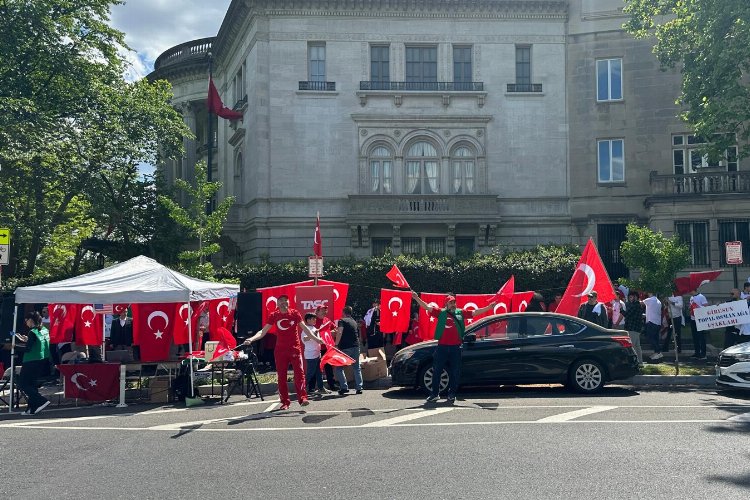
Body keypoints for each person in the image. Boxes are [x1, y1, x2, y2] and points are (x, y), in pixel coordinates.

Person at [412, 291, 495, 404]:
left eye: (454, 302)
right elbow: (426, 306)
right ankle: (435, 394)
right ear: (446, 304)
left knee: (455, 372)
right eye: (451, 302)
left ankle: (452, 394)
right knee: (437, 371)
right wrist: (416, 298)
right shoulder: (440, 313)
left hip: (455, 347)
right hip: (442, 347)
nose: (453, 304)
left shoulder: (460, 312)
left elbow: (475, 312)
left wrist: (488, 307)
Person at [243, 294, 308, 410]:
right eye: (281, 301)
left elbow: (305, 328)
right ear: (277, 304)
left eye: (285, 300)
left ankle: (302, 398)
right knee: (281, 377)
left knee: (299, 374)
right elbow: (263, 332)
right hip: (280, 351)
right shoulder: (274, 315)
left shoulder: (295, 314)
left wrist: (316, 338)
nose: (283, 302)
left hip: (295, 349)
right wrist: (251, 339)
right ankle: (285, 402)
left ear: (289, 302)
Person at [16, 311, 51, 415]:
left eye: (26, 321)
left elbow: (28, 349)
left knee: (23, 384)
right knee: (31, 384)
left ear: (30, 320)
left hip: (31, 360)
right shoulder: (44, 329)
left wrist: (14, 346)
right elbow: (37, 343)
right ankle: (32, 408)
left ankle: (41, 400)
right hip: (42, 359)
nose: (26, 323)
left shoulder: (32, 332)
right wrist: (27, 340)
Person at [334, 306, 363, 395]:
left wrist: (336, 344)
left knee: (339, 368)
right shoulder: (354, 321)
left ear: (343, 312)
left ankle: (344, 387)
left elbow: (340, 332)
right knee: (356, 367)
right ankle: (359, 388)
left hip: (345, 347)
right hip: (356, 346)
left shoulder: (341, 321)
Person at [298, 313, 328, 397]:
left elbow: (318, 339)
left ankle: (321, 388)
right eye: (313, 319)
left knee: (319, 372)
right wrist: (313, 336)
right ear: (308, 320)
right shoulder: (305, 329)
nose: (315, 320)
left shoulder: (314, 328)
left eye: (315, 318)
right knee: (310, 373)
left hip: (317, 353)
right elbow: (304, 339)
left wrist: (322, 339)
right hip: (310, 355)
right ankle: (301, 389)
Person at [314, 305, 338, 392]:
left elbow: (335, 329)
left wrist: (333, 332)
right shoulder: (314, 320)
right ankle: (314, 386)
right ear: (317, 311)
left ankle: (332, 384)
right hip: (317, 348)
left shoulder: (327, 320)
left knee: (328, 367)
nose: (324, 311)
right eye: (322, 310)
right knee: (317, 367)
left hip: (327, 347)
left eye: (325, 310)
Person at [623, 291, 644, 365]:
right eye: (630, 296)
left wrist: (621, 310)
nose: (631, 298)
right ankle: (640, 362)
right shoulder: (637, 305)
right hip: (636, 328)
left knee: (632, 347)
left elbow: (627, 314)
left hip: (633, 328)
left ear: (636, 297)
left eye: (632, 296)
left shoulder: (635, 305)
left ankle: (635, 363)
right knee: (637, 346)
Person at [688, 288, 709, 359]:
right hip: (693, 318)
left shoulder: (701, 297)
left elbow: (706, 307)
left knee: (701, 337)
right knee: (695, 337)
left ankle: (703, 354)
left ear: (693, 290)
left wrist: (697, 306)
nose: (688, 291)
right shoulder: (691, 297)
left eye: (690, 289)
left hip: (700, 319)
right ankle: (697, 352)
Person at [643, 292, 663, 361]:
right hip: (657, 322)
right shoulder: (658, 301)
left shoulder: (650, 299)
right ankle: (656, 352)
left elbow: (640, 303)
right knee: (655, 338)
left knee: (650, 337)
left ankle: (658, 352)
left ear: (651, 293)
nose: (647, 293)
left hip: (651, 322)